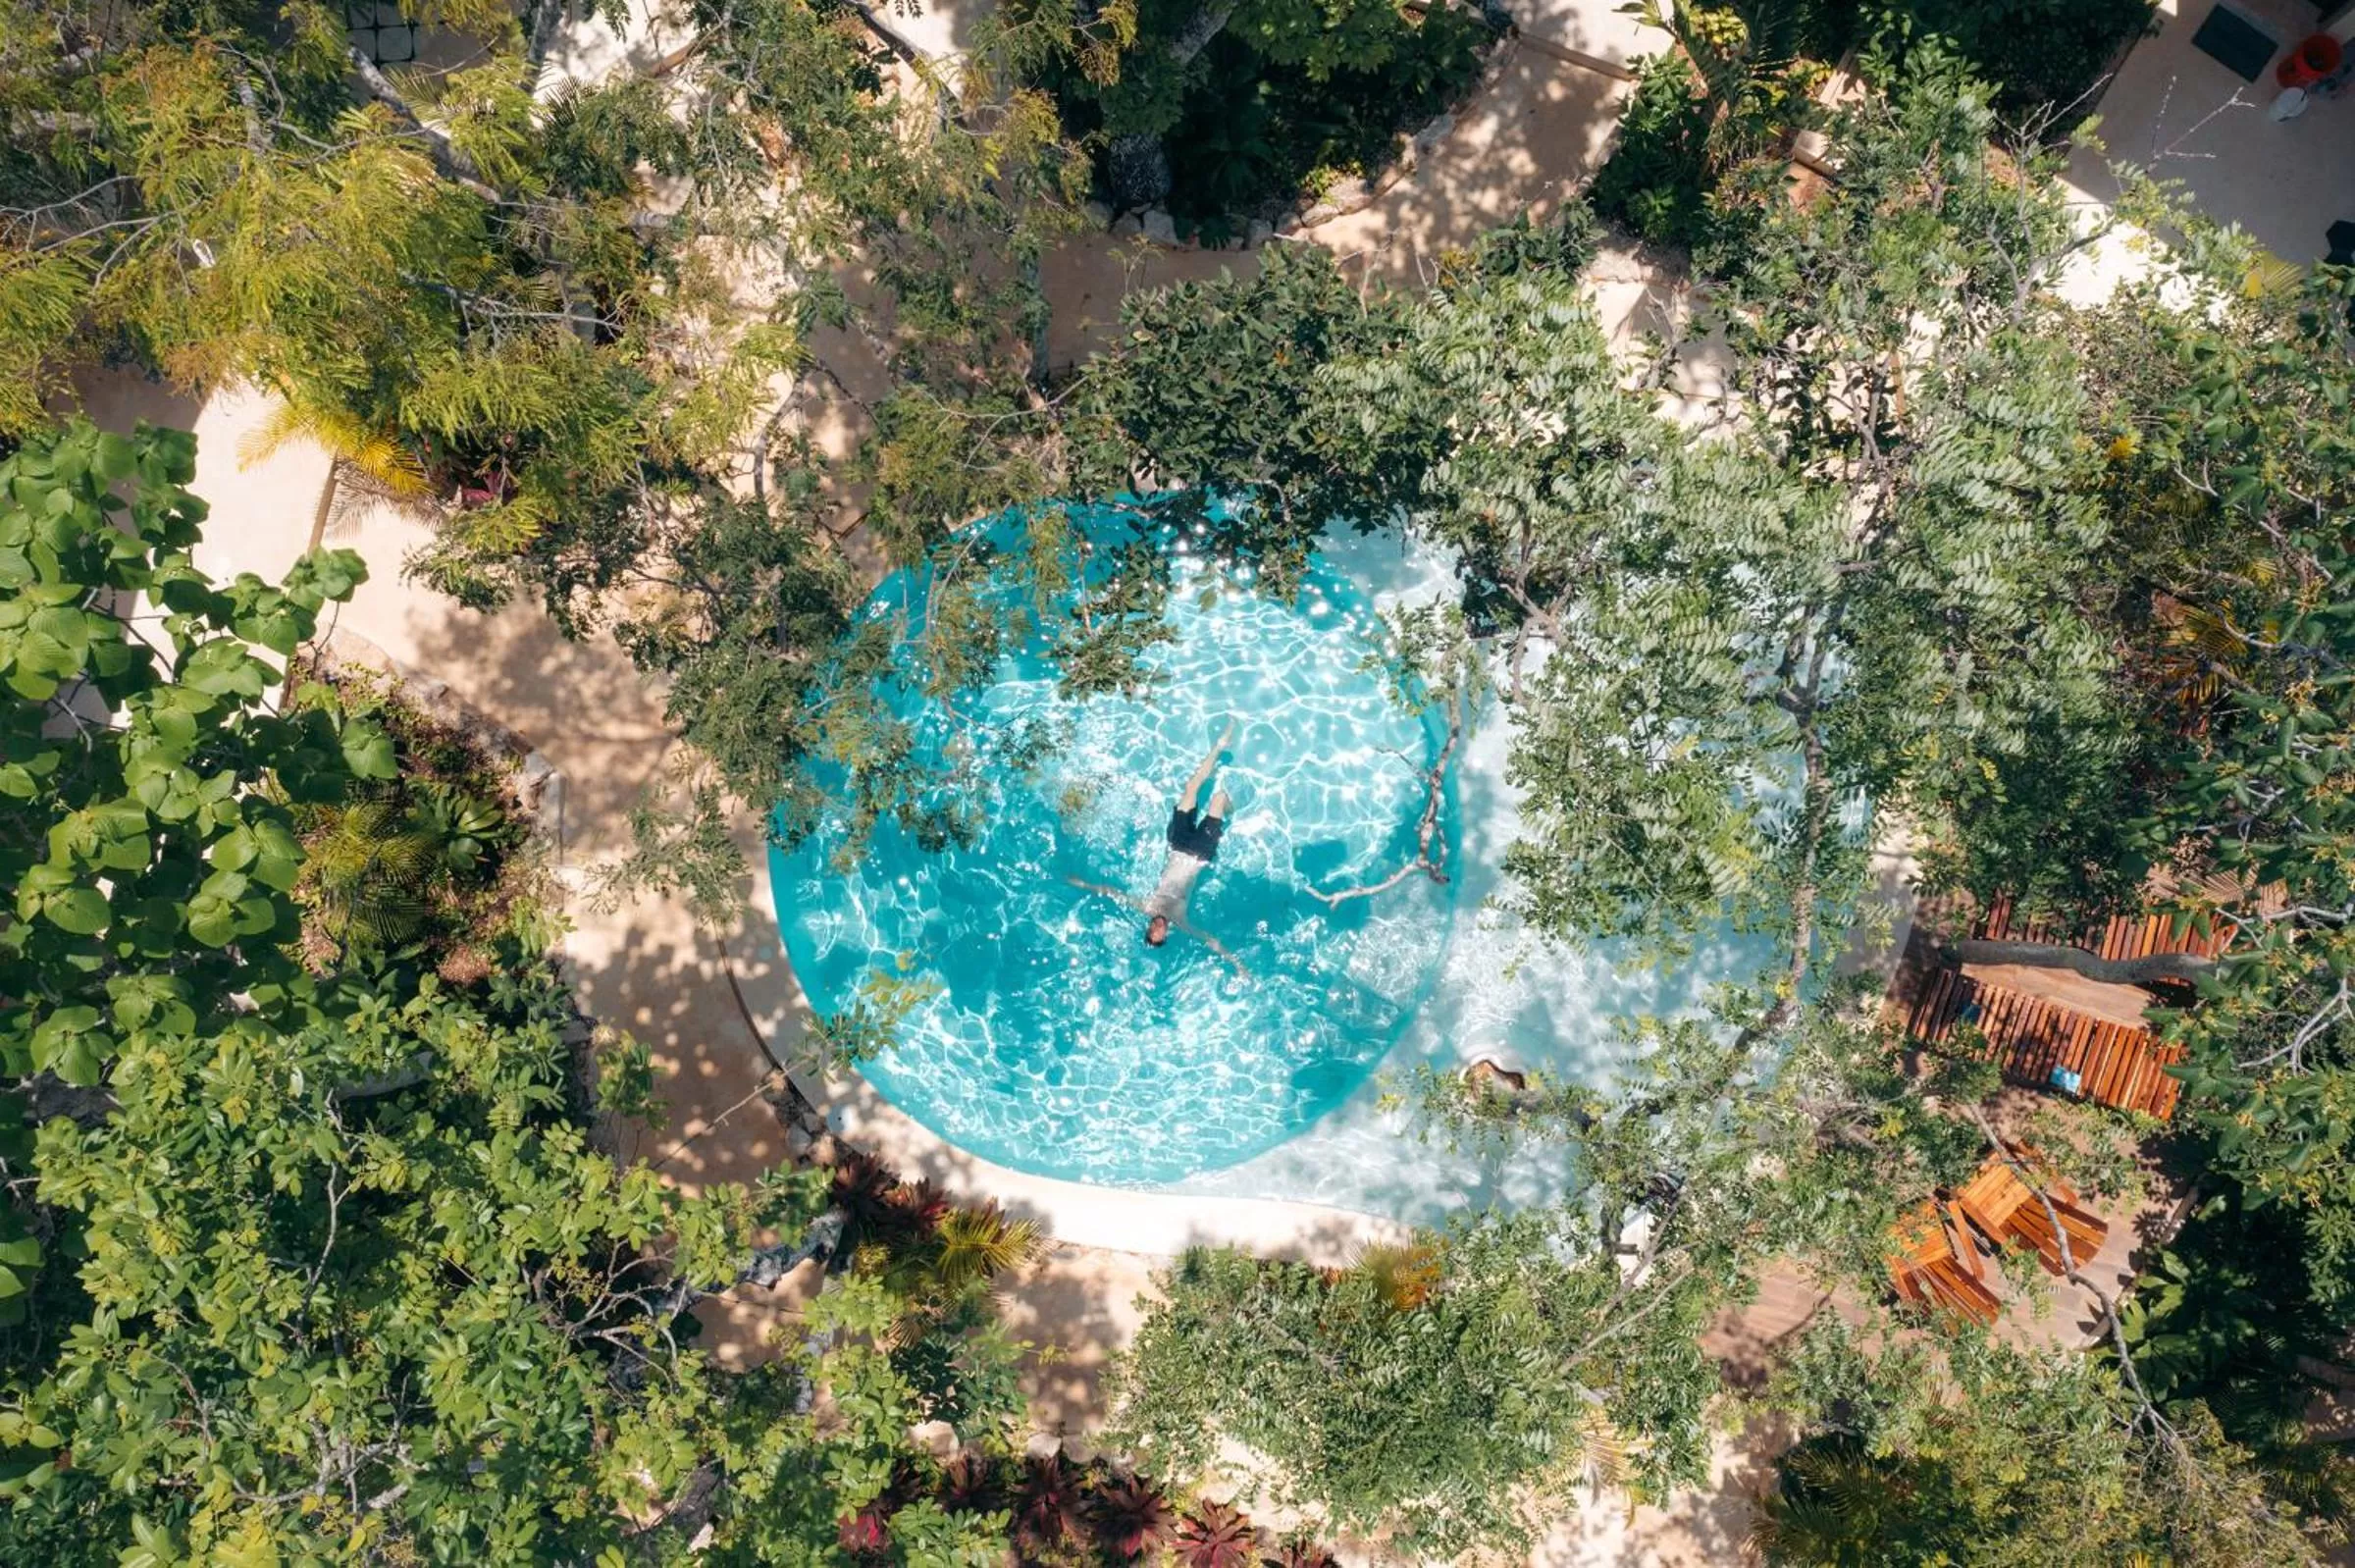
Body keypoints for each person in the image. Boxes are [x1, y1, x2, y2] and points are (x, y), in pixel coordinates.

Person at [1145, 720, 1234, 946]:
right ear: (1166, 934)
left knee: (1191, 787)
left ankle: (1219, 746)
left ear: (1148, 927)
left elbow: (1110, 892)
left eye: (1152, 929)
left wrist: (1082, 884)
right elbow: (1211, 942)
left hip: (1178, 844)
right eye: (1160, 933)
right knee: (1219, 798)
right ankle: (1231, 811)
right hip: (1199, 853)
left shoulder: (1147, 906)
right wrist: (1236, 962)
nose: (1158, 927)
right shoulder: (1180, 920)